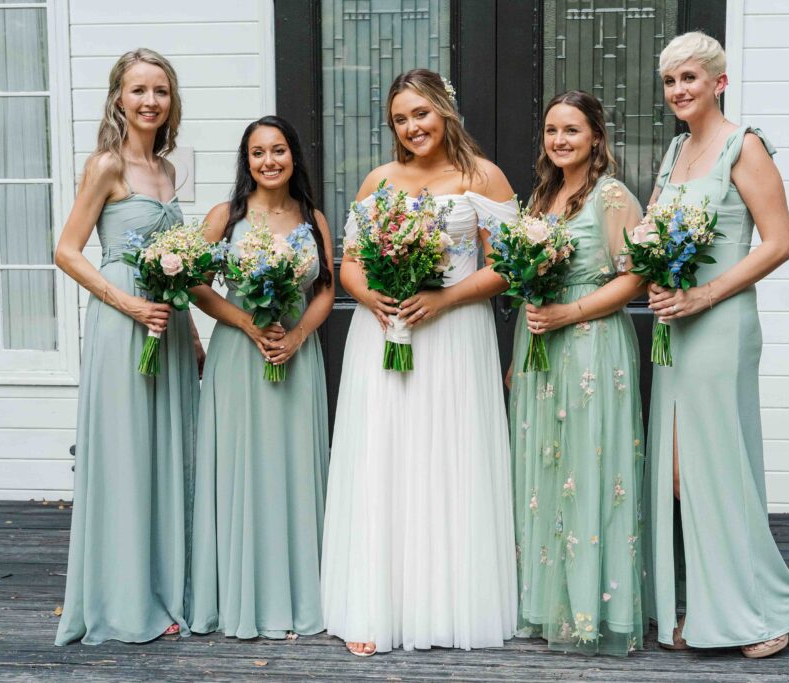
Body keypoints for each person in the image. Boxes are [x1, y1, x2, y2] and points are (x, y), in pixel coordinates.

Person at [321, 68, 518, 656]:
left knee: (448, 458)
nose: (412, 128)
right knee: (385, 457)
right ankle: (374, 607)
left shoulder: (483, 176)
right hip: (383, 333)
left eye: (421, 114)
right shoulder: (380, 179)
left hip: (454, 334)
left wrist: (445, 297)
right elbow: (348, 260)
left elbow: (512, 263)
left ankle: (450, 604)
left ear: (445, 110)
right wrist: (367, 294)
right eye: (401, 120)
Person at [644, 31, 789, 658]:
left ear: (719, 82)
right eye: (669, 81)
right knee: (684, 472)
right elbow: (652, 231)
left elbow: (779, 242)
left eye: (689, 78)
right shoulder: (674, 150)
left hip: (719, 323)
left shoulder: (746, 146)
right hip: (674, 326)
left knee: (719, 470)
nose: (678, 91)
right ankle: (718, 603)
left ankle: (765, 612)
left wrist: (702, 296)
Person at [53, 48, 200, 646]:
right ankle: (122, 599)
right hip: (124, 325)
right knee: (125, 457)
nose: (149, 101)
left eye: (160, 91)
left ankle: (164, 588)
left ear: (172, 101)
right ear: (119, 97)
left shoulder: (168, 170)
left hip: (169, 327)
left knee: (166, 456)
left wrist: (190, 333)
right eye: (138, 90)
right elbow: (66, 249)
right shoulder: (105, 165)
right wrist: (129, 303)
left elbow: (182, 266)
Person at [188, 116, 334, 639]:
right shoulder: (225, 217)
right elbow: (197, 287)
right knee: (243, 468)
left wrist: (294, 339)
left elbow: (324, 291)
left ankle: (299, 595)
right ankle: (239, 596)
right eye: (257, 152)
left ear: (293, 156)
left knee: (293, 467)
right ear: (246, 161)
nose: (268, 161)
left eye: (278, 150)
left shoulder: (312, 218)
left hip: (296, 356)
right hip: (240, 356)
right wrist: (250, 325)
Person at [513, 90, 647, 656]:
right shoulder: (542, 194)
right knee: (547, 464)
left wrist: (570, 310)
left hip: (591, 342)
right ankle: (547, 605)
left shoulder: (613, 196)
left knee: (588, 467)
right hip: (541, 343)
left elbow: (634, 277)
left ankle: (594, 609)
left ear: (596, 135)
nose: (559, 140)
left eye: (571, 130)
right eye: (551, 130)